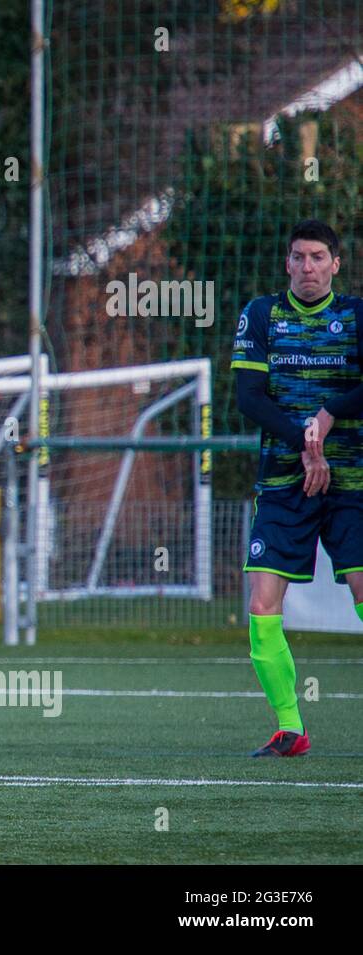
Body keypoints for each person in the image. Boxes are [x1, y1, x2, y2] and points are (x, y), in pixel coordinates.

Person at [232, 218, 363, 757]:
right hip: (285, 482)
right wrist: (305, 444)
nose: (307, 267)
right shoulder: (262, 316)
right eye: (298, 258)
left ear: (336, 264)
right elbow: (249, 396)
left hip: (352, 480)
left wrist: (328, 416)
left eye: (317, 258)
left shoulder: (356, 317)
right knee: (262, 606)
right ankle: (290, 727)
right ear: (286, 264)